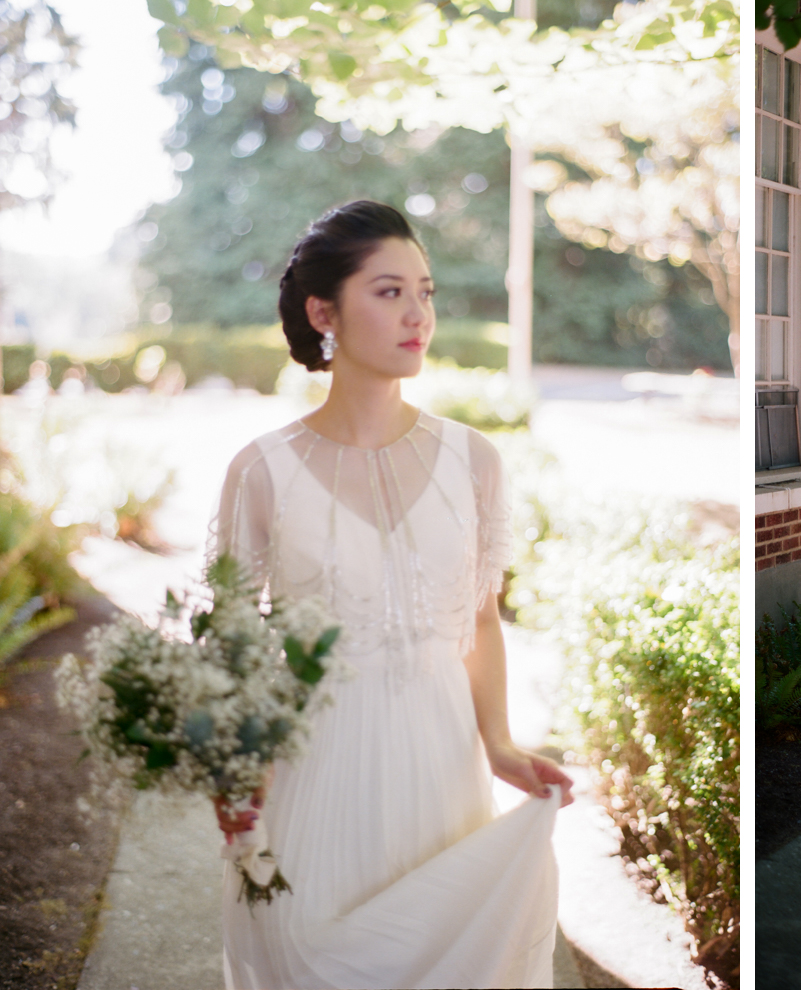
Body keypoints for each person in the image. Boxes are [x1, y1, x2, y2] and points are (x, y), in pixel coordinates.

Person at [211, 200, 573, 989]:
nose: (419, 314)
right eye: (388, 292)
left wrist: (502, 744)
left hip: (442, 774)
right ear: (322, 311)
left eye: (427, 291)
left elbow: (480, 623)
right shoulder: (261, 471)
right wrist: (239, 775)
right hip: (317, 777)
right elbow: (234, 650)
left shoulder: (473, 461)